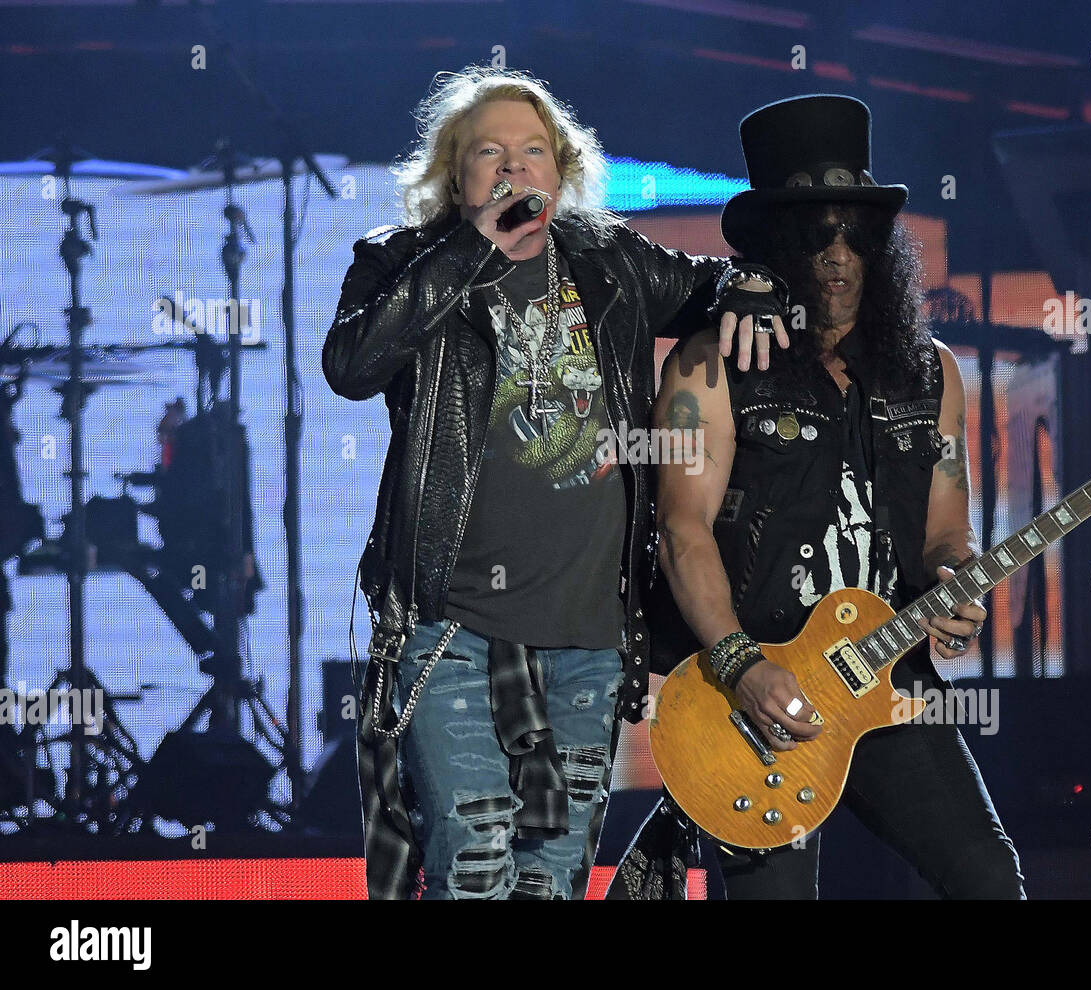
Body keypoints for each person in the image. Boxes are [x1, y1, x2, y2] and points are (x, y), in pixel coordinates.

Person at [321, 66, 788, 899]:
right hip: (452, 626)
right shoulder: (400, 263)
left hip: (586, 637)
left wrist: (752, 284)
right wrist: (474, 249)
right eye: (489, 153)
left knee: (555, 875)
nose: (514, 168)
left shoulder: (610, 261)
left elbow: (711, 286)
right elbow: (352, 365)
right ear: (453, 176)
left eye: (533, 151)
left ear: (562, 169)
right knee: (471, 858)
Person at [613, 94, 1025, 899]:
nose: (837, 253)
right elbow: (682, 532)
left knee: (988, 880)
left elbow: (946, 531)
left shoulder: (930, 369)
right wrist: (740, 666)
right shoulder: (711, 365)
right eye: (815, 233)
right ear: (776, 245)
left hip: (889, 672)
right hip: (756, 684)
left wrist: (955, 586)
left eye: (856, 233)